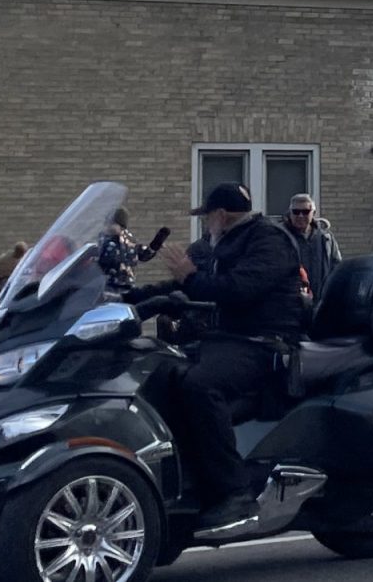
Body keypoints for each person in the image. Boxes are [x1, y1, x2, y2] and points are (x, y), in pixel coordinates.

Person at [137, 182, 306, 538]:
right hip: (227, 340)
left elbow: (237, 290)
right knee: (160, 369)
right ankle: (184, 481)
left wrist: (191, 277)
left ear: (220, 215)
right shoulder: (219, 244)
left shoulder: (267, 240)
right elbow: (182, 286)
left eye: (206, 216)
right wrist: (129, 299)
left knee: (201, 384)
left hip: (265, 342)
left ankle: (235, 491)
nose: (204, 224)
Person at [284, 194, 342, 305]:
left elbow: (336, 268)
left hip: (322, 303)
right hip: (291, 304)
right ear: (290, 213)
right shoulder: (281, 237)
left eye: (305, 212)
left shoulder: (326, 238)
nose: (300, 216)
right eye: (296, 212)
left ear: (313, 214)